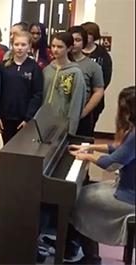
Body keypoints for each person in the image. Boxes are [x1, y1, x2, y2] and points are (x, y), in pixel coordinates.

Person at [67, 86, 135, 265]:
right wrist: (89, 147)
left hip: (129, 197)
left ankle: (90, 258)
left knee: (78, 200)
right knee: (83, 193)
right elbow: (119, 149)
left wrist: (87, 156)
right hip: (126, 188)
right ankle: (76, 247)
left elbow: (111, 164)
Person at [0, 31, 43, 144]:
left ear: (29, 46)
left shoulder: (34, 68)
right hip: (5, 118)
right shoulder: (3, 67)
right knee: (7, 147)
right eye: (16, 44)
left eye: (23, 45)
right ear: (12, 45)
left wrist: (28, 118)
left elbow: (37, 94)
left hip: (24, 118)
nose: (20, 48)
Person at [42, 32, 87, 135]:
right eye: (53, 46)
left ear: (69, 48)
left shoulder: (75, 73)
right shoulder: (47, 70)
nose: (55, 50)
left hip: (63, 121)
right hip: (45, 120)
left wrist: (71, 129)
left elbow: (76, 102)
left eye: (60, 47)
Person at [68, 26, 104, 137]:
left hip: (82, 115)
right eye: (71, 40)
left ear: (84, 42)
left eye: (78, 40)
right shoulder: (57, 63)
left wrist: (84, 111)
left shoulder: (93, 66)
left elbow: (98, 91)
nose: (74, 43)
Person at [81, 22, 113, 129]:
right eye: (85, 33)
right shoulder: (75, 51)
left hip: (94, 97)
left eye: (89, 33)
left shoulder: (102, 54)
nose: (87, 36)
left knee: (88, 128)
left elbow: (106, 77)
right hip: (77, 96)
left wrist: (95, 93)